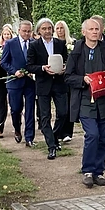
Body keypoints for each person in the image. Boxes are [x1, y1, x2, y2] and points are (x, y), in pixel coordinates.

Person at [66, 18, 105, 187]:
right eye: (91, 29)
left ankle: (98, 171)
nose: (95, 32)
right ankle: (87, 170)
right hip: (85, 101)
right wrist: (84, 79)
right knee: (92, 135)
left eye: (97, 29)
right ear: (84, 32)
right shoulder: (77, 51)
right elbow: (68, 77)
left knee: (104, 138)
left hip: (104, 101)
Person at [27, 18, 68, 160]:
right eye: (44, 28)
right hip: (43, 84)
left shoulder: (60, 43)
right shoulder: (34, 45)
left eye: (49, 28)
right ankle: (51, 146)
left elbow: (67, 60)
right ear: (39, 31)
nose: (47, 31)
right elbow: (29, 65)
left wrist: (64, 68)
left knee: (63, 113)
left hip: (59, 83)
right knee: (45, 117)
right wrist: (42, 68)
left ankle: (54, 136)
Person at [1, 21, 37, 145]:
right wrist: (14, 71)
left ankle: (29, 137)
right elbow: (4, 62)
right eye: (24, 31)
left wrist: (34, 71)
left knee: (30, 109)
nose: (26, 33)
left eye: (29, 31)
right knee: (16, 109)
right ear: (19, 31)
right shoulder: (10, 43)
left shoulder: (34, 43)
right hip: (14, 81)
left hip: (30, 82)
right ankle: (17, 128)